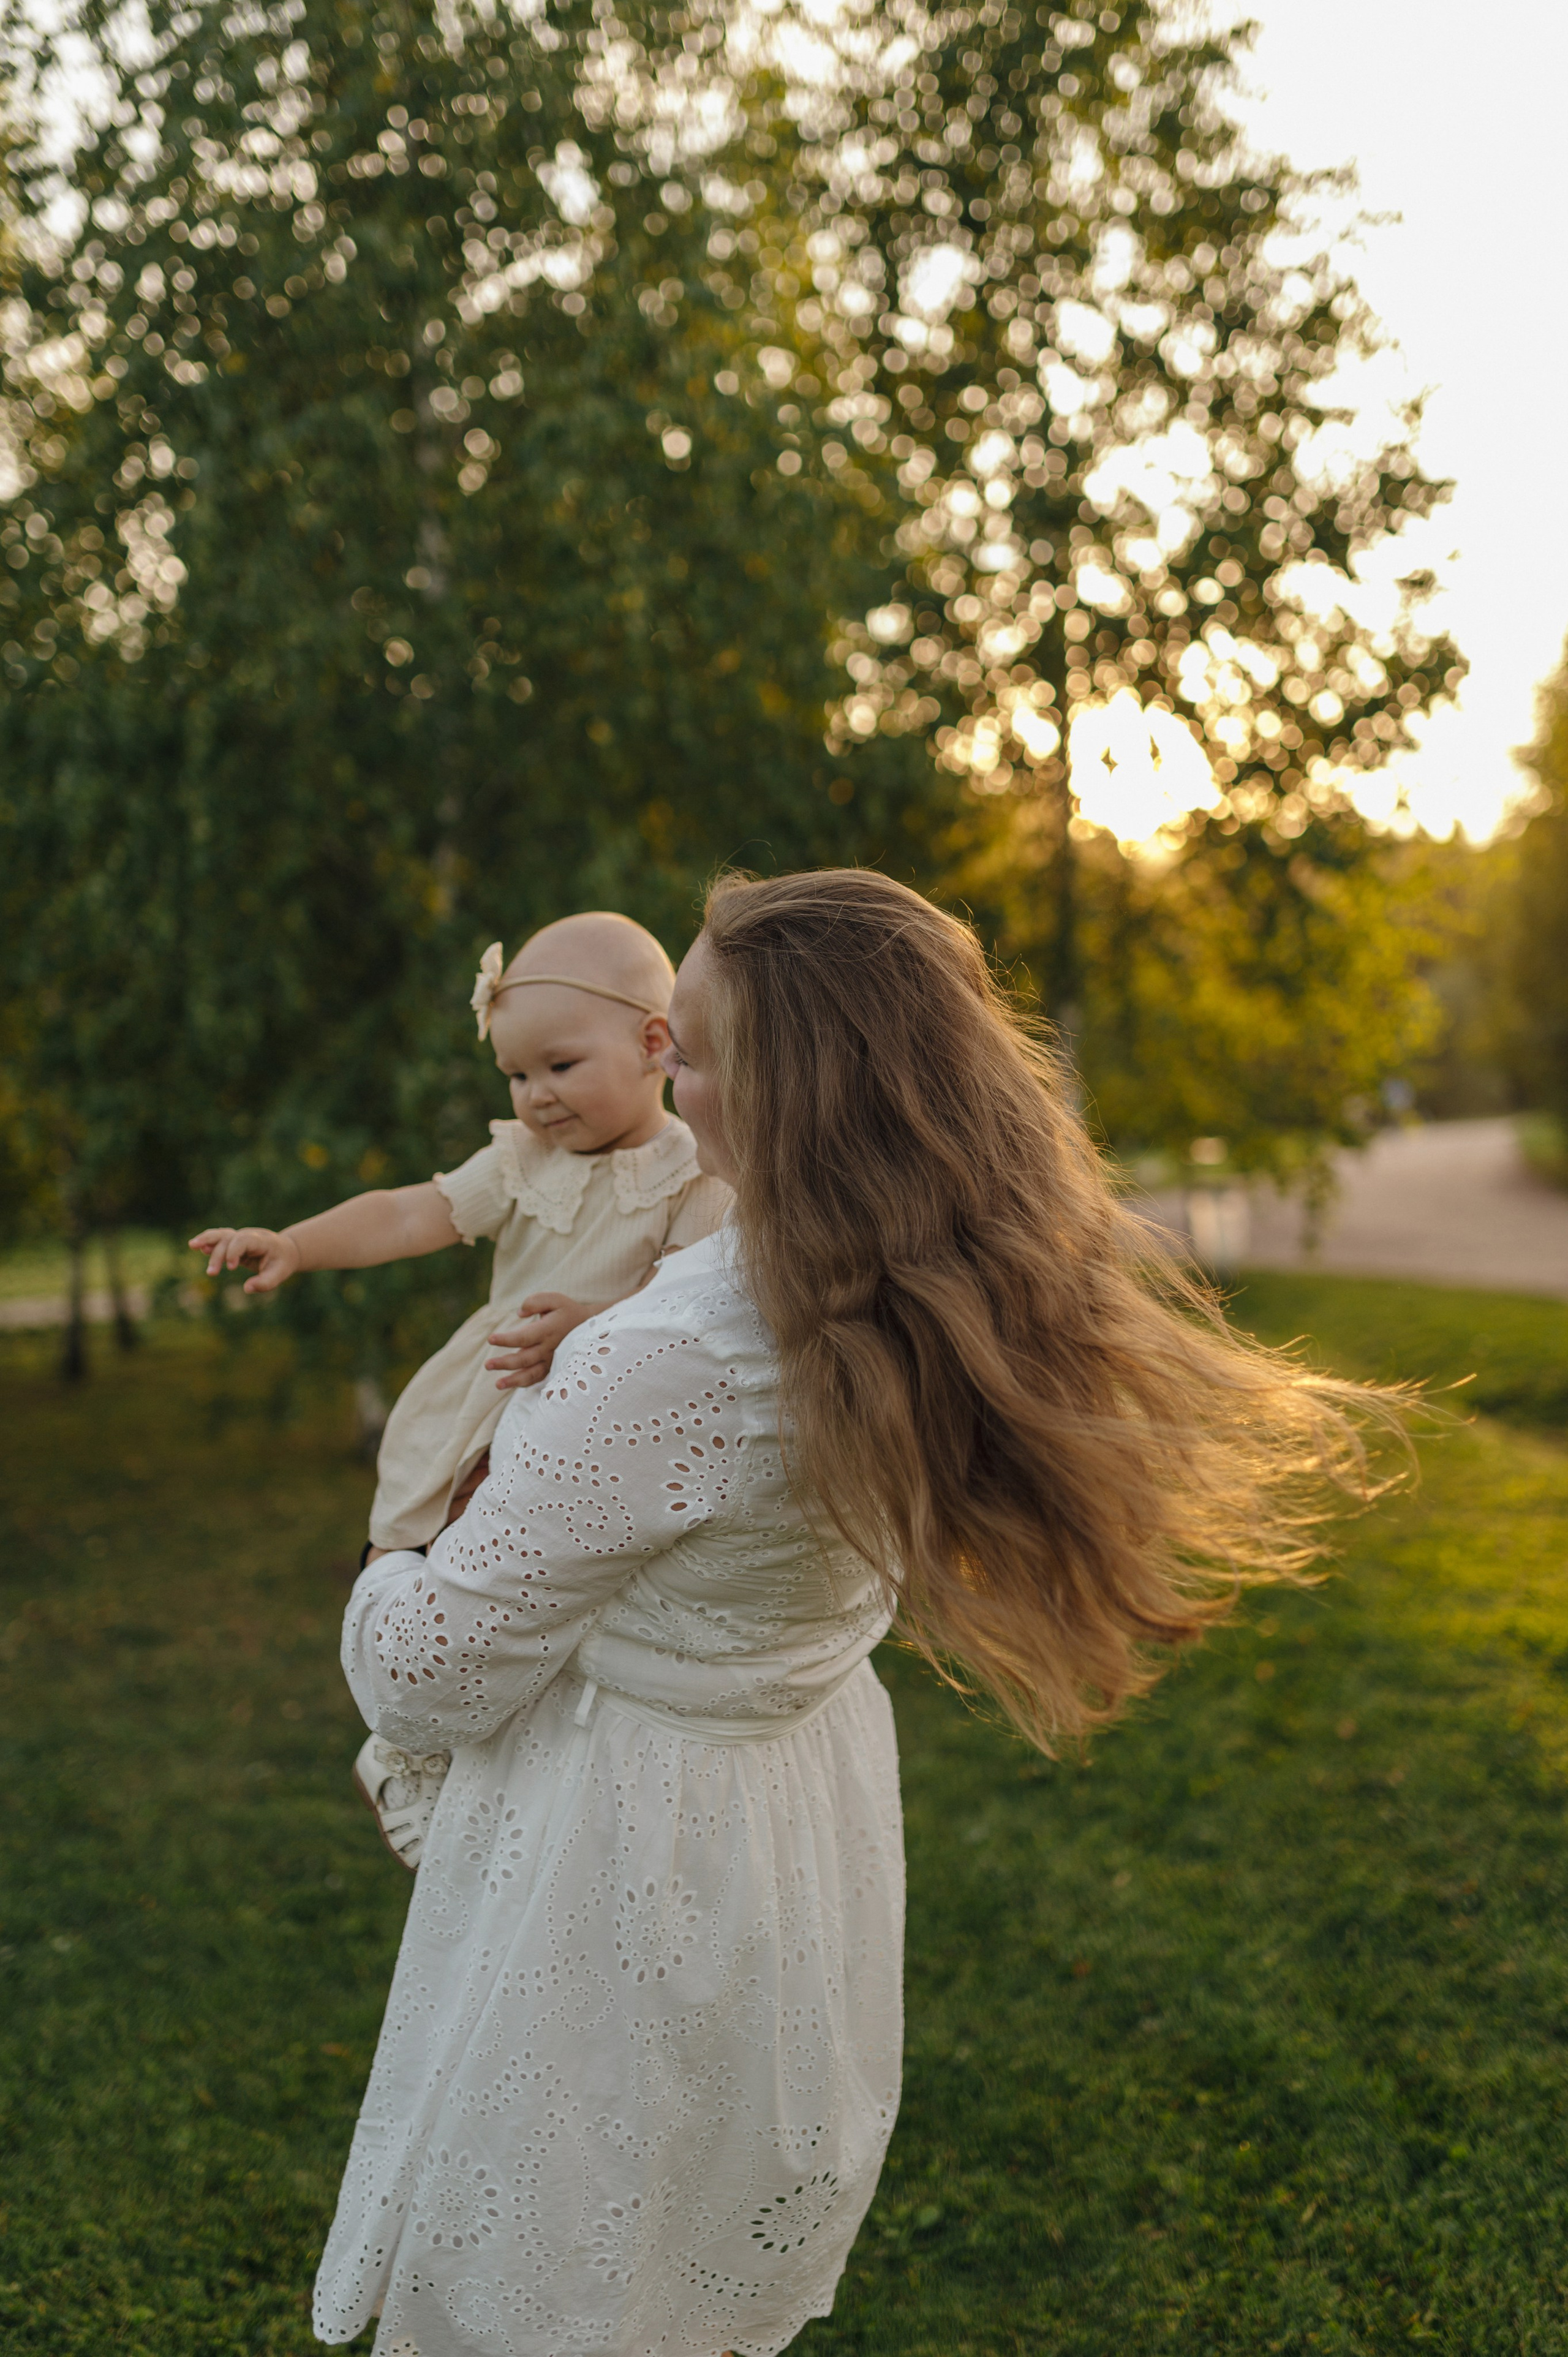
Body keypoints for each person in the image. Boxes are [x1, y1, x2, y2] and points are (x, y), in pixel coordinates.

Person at [313, 869, 1396, 2357]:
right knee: (678, 2263)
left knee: (555, 2279)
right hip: (782, 1830)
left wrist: (391, 1554)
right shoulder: (892, 1300)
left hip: (619, 1855)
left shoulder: (674, 1357)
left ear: (779, 1089)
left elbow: (428, 1676)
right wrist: (598, 1345)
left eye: (684, 1045)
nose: (661, 1068)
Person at [190, 912, 731, 1865]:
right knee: (449, 1565)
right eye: (516, 1077)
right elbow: (409, 1213)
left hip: (602, 1407)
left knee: (556, 1598)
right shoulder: (523, 1163)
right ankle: (402, 1745)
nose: (536, 1097)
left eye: (559, 1067)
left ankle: (493, 1756)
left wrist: (593, 1323)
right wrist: (298, 1244)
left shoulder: (699, 1171)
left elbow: (678, 1294)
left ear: (655, 1044)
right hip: (497, 1399)